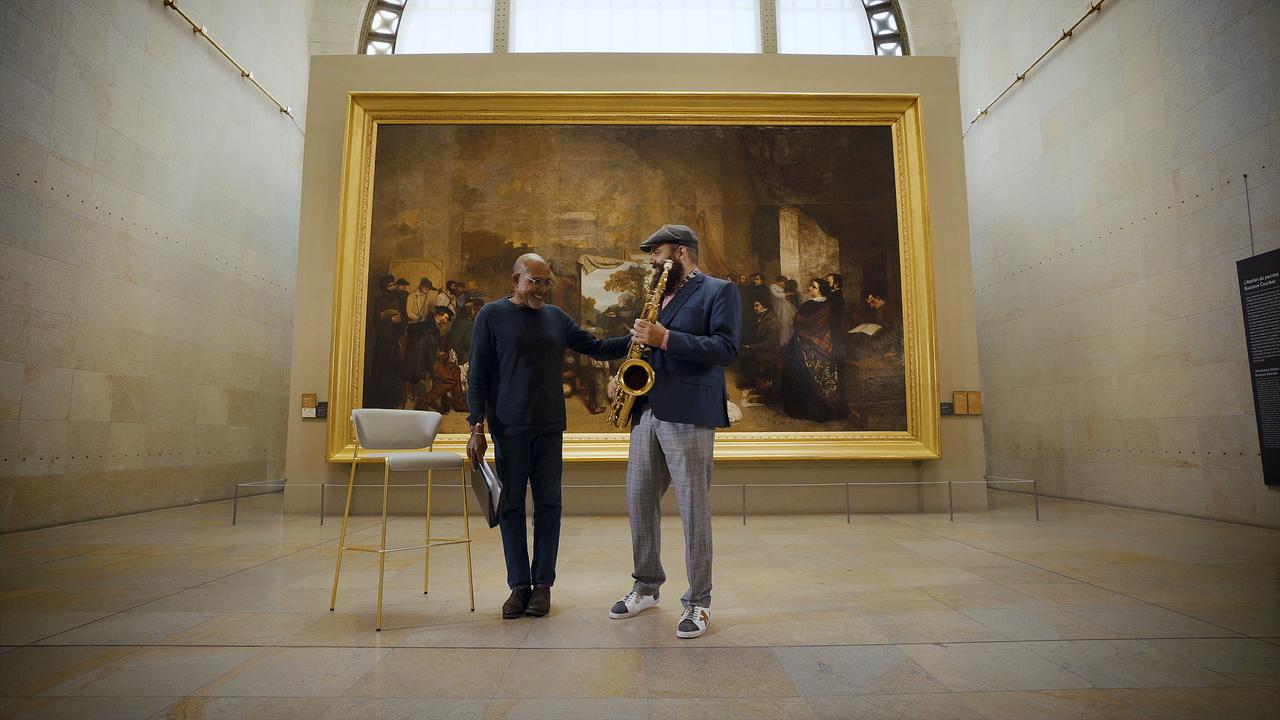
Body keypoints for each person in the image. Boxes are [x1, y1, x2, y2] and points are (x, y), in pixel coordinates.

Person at [466, 254, 629, 620]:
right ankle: (517, 587)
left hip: (549, 426)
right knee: (510, 509)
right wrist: (476, 426)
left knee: (549, 506)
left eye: (546, 283)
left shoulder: (557, 318)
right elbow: (478, 374)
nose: (541, 289)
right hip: (507, 429)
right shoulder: (491, 316)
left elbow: (596, 347)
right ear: (515, 279)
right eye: (534, 281)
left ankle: (542, 587)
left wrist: (634, 338)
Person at [607, 224, 740, 640]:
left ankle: (699, 601)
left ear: (681, 252)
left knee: (693, 509)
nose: (650, 259)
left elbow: (726, 349)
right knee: (639, 500)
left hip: (689, 412)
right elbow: (644, 347)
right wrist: (621, 374)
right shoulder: (656, 295)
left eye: (656, 252)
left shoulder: (719, 290)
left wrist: (667, 338)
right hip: (647, 409)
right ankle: (646, 586)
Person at [780, 277, 846, 422]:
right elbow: (797, 323)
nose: (810, 289)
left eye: (814, 287)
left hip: (817, 346)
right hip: (814, 344)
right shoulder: (811, 304)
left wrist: (810, 334)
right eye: (810, 286)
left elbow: (825, 325)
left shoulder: (826, 305)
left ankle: (823, 407)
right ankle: (804, 406)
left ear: (821, 290)